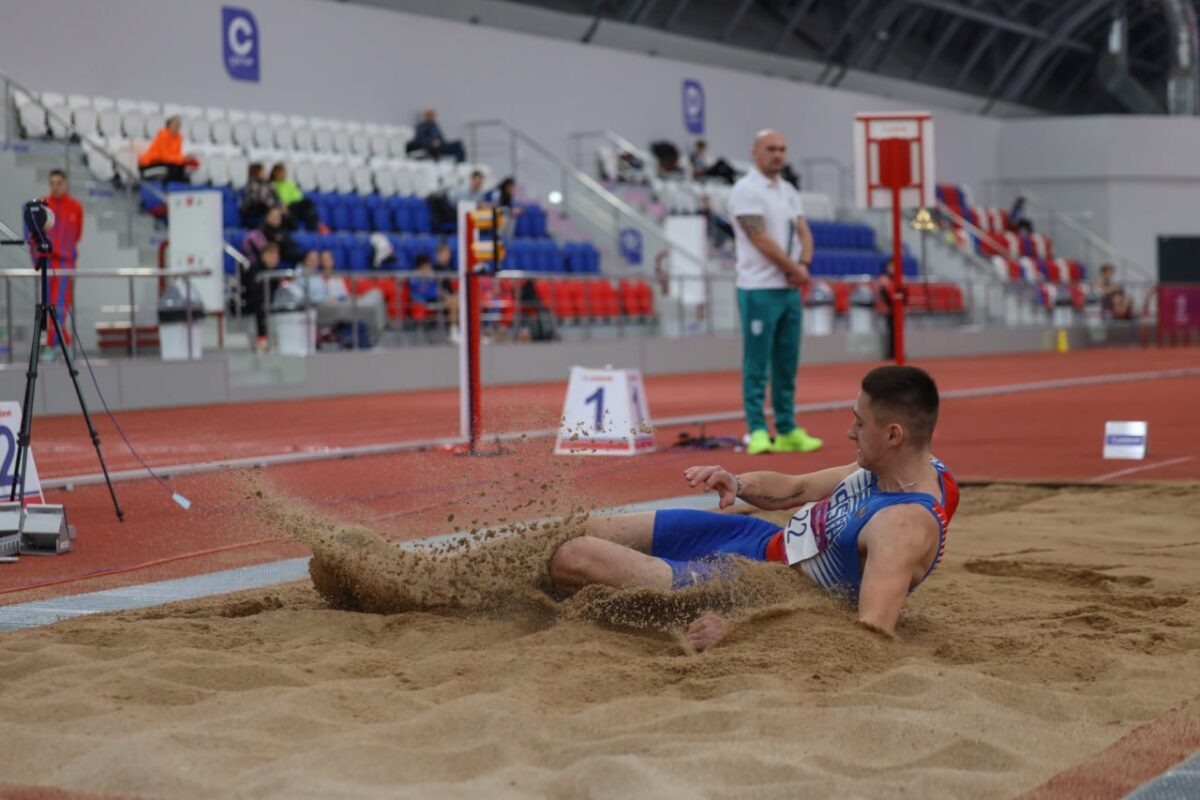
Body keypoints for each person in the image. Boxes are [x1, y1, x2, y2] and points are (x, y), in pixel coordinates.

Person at [547, 365, 959, 651]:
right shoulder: (900, 466)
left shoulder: (902, 528)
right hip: (758, 539)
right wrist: (738, 483)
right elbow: (796, 488)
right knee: (583, 526)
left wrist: (747, 632)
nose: (850, 432)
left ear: (893, 435)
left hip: (761, 588)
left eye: (860, 423)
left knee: (575, 556)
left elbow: (868, 637)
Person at [728, 129, 822, 456]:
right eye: (770, 149)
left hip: (788, 289)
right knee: (757, 364)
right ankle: (756, 429)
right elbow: (759, 238)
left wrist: (803, 264)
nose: (778, 154)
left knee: (786, 362)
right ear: (755, 152)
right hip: (758, 288)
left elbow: (804, 231)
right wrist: (795, 269)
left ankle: (786, 428)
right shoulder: (746, 190)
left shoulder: (789, 191)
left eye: (782, 149)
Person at [38, 169, 84, 355]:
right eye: (52, 183)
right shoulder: (43, 205)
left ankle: (55, 345)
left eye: (59, 183)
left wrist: (64, 251)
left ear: (65, 184)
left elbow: (77, 234)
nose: (55, 187)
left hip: (65, 264)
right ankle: (60, 343)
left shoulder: (75, 206)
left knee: (60, 307)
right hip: (47, 262)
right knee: (47, 305)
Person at [137, 115, 197, 183]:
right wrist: (183, 159)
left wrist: (186, 159)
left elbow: (176, 156)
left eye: (178, 125)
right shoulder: (163, 135)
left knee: (181, 168)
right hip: (149, 165)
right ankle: (169, 187)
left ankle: (180, 186)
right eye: (175, 124)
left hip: (165, 164)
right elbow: (164, 157)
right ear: (169, 125)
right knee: (171, 168)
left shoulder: (178, 138)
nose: (177, 127)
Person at [269, 163, 321, 231]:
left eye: (283, 172)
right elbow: (273, 199)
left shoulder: (289, 183)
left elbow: (298, 197)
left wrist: (290, 202)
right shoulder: (271, 185)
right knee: (288, 213)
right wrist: (282, 205)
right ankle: (300, 229)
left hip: (292, 206)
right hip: (281, 207)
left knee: (308, 203)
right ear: (274, 173)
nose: (282, 174)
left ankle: (313, 228)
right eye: (280, 172)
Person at [240, 162, 281, 228]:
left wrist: (279, 206)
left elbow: (276, 197)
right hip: (254, 213)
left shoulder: (268, 184)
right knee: (265, 208)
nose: (265, 173)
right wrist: (274, 207)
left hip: (268, 209)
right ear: (256, 172)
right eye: (262, 171)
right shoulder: (252, 185)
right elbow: (258, 200)